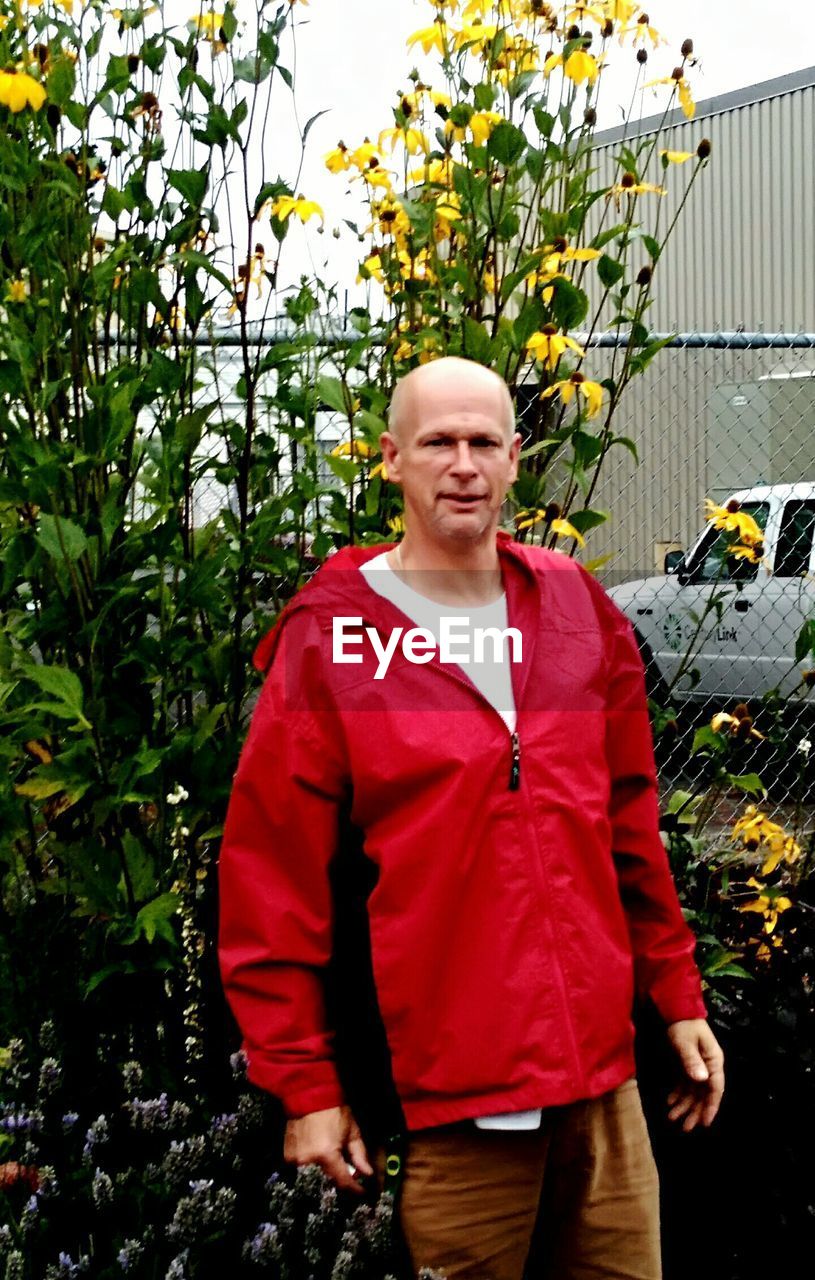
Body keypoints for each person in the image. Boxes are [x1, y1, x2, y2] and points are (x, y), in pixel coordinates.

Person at [218, 356, 725, 1280]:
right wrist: (305, 1085)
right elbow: (270, 880)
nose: (463, 464)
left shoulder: (573, 609)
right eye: (437, 443)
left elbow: (625, 824)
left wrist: (675, 993)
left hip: (602, 1094)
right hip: (454, 1103)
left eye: (483, 441)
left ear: (515, 459)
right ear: (390, 460)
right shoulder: (332, 642)